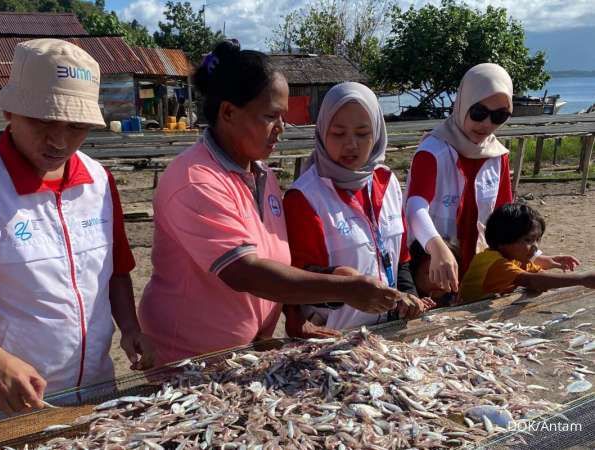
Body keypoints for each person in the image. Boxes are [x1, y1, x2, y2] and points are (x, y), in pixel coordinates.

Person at [0, 39, 152, 416]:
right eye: (43, 120)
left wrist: (130, 326)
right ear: (10, 111)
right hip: (10, 404)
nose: (59, 141)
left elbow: (116, 271)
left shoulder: (98, 181)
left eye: (76, 126)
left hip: (98, 394)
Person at [138, 40, 403, 366]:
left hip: (245, 354)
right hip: (191, 359)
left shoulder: (262, 175)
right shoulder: (196, 180)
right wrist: (344, 289)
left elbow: (274, 259)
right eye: (271, 116)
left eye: (283, 116)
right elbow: (246, 272)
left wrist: (309, 297)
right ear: (229, 112)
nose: (281, 128)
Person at [282, 82, 434, 335]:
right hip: (334, 338)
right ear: (322, 132)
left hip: (390, 332)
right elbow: (296, 277)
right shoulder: (304, 197)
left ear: (377, 133)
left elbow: (401, 259)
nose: (351, 144)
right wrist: (342, 282)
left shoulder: (387, 182)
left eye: (363, 133)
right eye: (338, 133)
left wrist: (407, 297)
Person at [405, 63, 514, 295]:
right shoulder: (433, 151)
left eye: (499, 116)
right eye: (478, 112)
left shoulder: (498, 155)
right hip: (432, 266)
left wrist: (534, 254)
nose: (486, 124)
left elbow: (505, 218)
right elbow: (415, 206)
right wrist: (436, 246)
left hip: (477, 265)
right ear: (463, 104)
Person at [459, 203, 593, 303]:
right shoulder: (494, 262)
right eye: (528, 240)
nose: (535, 247)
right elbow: (532, 281)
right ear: (503, 239)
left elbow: (540, 276)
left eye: (537, 240)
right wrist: (582, 279)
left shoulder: (518, 259)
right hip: (465, 315)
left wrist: (547, 273)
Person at [409, 240, 460, 308]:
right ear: (414, 272)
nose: (440, 282)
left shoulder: (456, 298)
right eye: (431, 273)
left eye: (447, 273)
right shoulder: (404, 303)